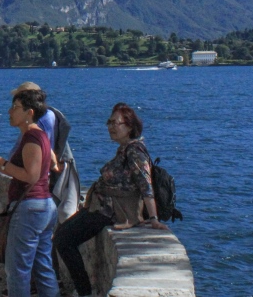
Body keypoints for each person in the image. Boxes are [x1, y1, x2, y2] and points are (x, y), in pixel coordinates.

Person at [53, 103, 169, 296]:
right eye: (109, 122)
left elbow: (145, 185)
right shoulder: (124, 149)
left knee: (64, 239)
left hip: (111, 212)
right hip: (101, 207)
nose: (111, 127)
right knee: (62, 235)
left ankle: (84, 292)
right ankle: (82, 290)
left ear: (130, 127)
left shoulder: (135, 152)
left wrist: (154, 218)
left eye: (116, 123)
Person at [0, 88, 57, 297]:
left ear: (30, 113)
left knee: (18, 269)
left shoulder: (32, 138)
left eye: (15, 108)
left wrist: (0, 163)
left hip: (30, 208)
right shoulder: (39, 135)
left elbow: (31, 176)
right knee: (42, 266)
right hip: (43, 206)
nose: (9, 112)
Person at [12, 82, 80, 222]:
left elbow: (45, 149)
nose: (12, 108)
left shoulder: (42, 120)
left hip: (36, 193)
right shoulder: (43, 117)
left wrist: (0, 164)